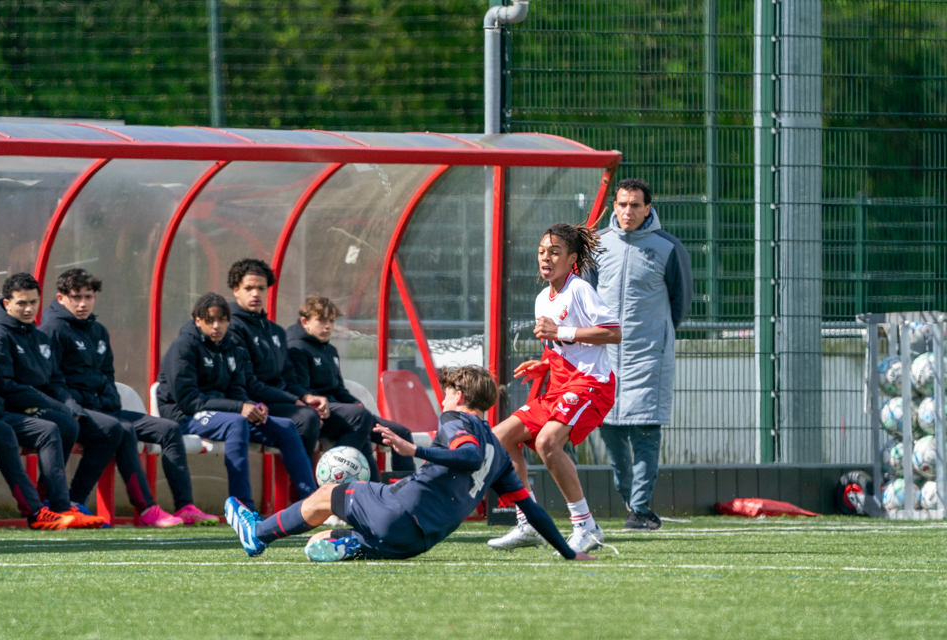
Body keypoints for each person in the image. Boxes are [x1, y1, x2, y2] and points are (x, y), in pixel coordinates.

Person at [225, 365, 596, 562]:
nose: (444, 397)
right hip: (417, 542)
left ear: (459, 395)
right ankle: (356, 542)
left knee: (328, 494)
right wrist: (568, 551)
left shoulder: (456, 420)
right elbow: (531, 510)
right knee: (335, 530)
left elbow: (466, 456)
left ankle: (256, 535)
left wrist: (412, 448)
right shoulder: (498, 453)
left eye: (447, 391)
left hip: (399, 514)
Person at [40, 269, 218, 526]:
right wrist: (79, 406)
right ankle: (142, 508)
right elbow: (51, 382)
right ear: (60, 298)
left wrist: (108, 401)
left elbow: (107, 376)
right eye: (75, 297)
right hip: (75, 413)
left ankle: (185, 507)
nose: (82, 303)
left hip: (103, 410)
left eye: (88, 296)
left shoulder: (98, 331)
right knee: (119, 429)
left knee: (169, 429)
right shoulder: (52, 330)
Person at [487, 223, 621, 554]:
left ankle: (585, 526)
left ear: (572, 258)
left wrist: (561, 330)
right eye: (542, 252)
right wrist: (543, 364)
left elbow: (613, 333)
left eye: (555, 252)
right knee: (499, 439)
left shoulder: (579, 290)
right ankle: (528, 522)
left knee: (547, 442)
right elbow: (559, 345)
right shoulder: (541, 299)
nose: (546, 258)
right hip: (559, 387)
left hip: (592, 384)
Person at [591, 178, 692, 530]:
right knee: (610, 431)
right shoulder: (598, 245)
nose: (628, 211)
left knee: (645, 432)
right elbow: (586, 297)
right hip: (604, 358)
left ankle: (639, 508)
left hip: (649, 356)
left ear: (648, 208)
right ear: (613, 207)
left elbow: (680, 302)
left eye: (635, 205)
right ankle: (629, 498)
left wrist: (658, 336)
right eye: (622, 204)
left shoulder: (668, 247)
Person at [156, 292, 317, 511]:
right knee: (236, 423)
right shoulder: (183, 347)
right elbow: (188, 401)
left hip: (223, 414)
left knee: (286, 427)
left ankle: (312, 501)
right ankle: (243, 507)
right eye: (209, 320)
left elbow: (236, 390)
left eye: (221, 320)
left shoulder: (231, 347)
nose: (216, 326)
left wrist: (253, 406)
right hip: (185, 416)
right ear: (197, 320)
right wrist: (239, 408)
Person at [0, 273, 108, 528]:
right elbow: (4, 386)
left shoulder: (36, 334)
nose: (29, 308)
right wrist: (52, 404)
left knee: (70, 424)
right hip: (7, 408)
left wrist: (66, 405)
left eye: (33, 302)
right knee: (48, 429)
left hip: (14, 409)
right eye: (22, 303)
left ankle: (53, 504)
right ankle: (51, 508)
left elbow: (55, 379)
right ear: (7, 303)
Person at [286, 295, 415, 481]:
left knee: (400, 433)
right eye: (321, 320)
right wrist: (350, 408)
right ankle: (338, 479)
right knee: (359, 417)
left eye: (331, 321)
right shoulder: (296, 348)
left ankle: (404, 492)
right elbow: (298, 388)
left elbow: (338, 388)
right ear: (305, 321)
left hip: (342, 411)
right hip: (319, 415)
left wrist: (354, 402)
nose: (328, 326)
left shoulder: (329, 350)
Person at [225, 259, 323, 475]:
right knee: (306, 419)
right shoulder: (232, 327)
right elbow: (247, 383)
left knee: (349, 418)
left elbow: (289, 378)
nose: (255, 294)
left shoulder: (276, 331)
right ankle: (300, 495)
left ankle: (362, 492)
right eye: (248, 288)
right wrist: (292, 401)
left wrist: (306, 397)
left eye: (261, 288)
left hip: (280, 402)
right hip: (253, 404)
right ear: (236, 290)